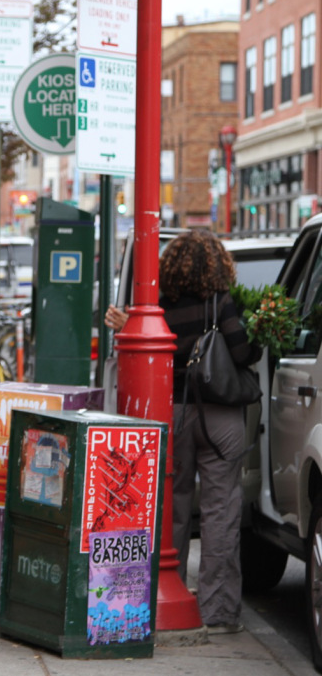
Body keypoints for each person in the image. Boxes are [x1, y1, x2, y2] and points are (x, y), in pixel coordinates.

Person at [105, 230, 258, 634]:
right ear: (218, 263)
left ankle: (161, 596)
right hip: (219, 416)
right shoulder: (222, 302)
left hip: (171, 411)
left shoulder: (156, 308)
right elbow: (243, 353)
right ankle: (217, 612)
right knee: (220, 510)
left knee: (171, 504)